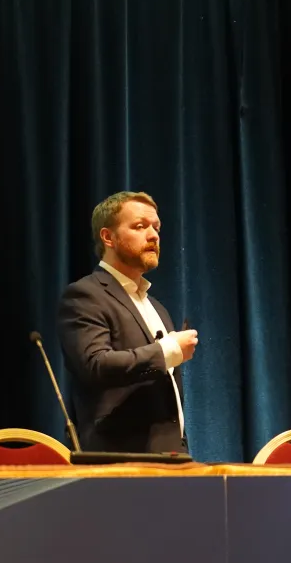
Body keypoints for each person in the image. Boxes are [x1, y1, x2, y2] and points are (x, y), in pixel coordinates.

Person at [57, 191, 199, 454]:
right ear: (108, 237)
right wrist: (167, 350)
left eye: (156, 228)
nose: (153, 236)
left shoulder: (157, 308)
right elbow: (95, 365)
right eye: (140, 226)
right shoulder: (86, 295)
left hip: (172, 459)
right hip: (119, 461)